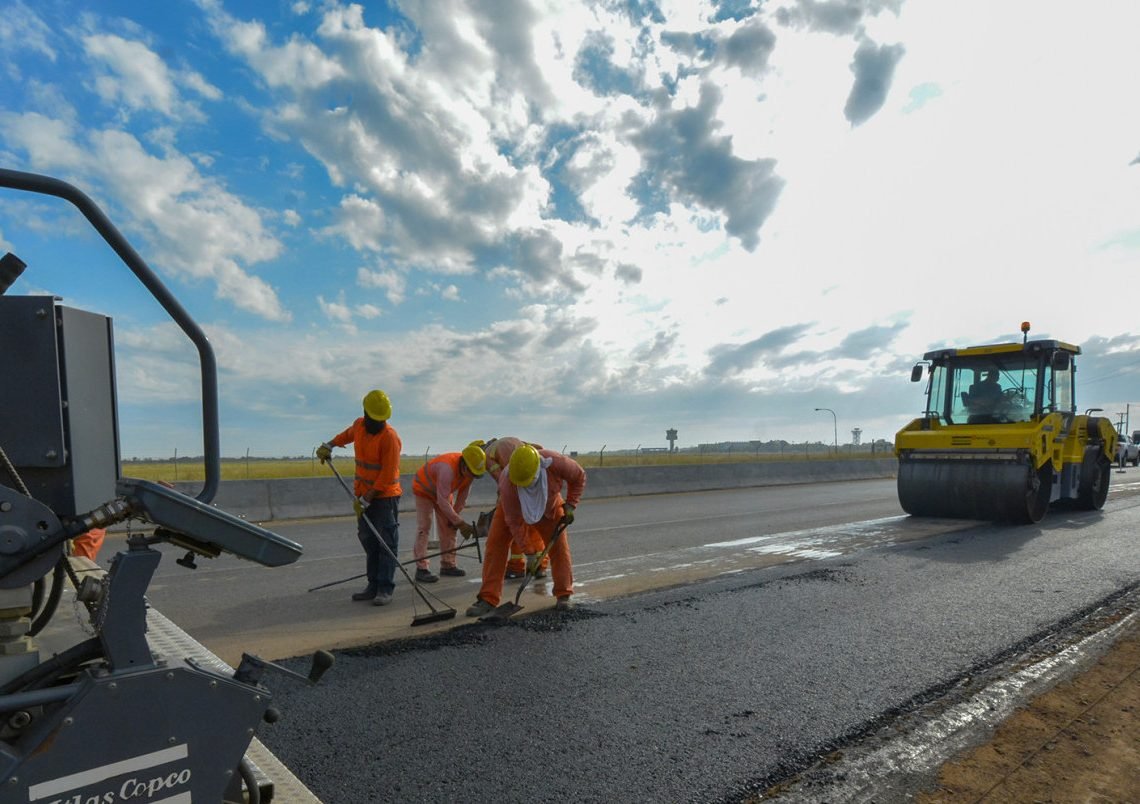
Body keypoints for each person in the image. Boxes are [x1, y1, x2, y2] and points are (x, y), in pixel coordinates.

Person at [466, 444, 586, 617]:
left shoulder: (556, 462)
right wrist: (530, 554)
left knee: (559, 548)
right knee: (495, 545)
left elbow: (579, 477)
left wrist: (570, 505)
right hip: (512, 508)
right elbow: (514, 523)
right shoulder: (508, 483)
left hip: (549, 507)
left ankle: (564, 595)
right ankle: (487, 599)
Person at [316, 390, 402, 606]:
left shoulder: (389, 438)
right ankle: (372, 585)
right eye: (374, 418)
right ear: (365, 414)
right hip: (362, 494)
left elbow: (387, 475)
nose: (378, 422)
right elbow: (346, 435)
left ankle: (385, 588)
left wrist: (368, 498)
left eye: (382, 419)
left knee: (385, 543)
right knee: (368, 540)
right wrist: (330, 445)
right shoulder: (360, 426)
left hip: (384, 498)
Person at [412, 443, 485, 582]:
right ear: (464, 465)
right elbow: (442, 501)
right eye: (472, 473)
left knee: (449, 528)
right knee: (424, 527)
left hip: (443, 492)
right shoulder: (447, 469)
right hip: (424, 490)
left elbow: (462, 498)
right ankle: (421, 569)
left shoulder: (470, 473)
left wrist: (454, 520)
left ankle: (448, 565)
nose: (472, 477)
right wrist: (460, 522)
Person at [483, 437, 549, 579]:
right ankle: (540, 567)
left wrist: (501, 501)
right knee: (533, 529)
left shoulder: (487, 455)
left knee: (515, 531)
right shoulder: (512, 440)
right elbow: (537, 446)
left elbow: (502, 480)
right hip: (531, 485)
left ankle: (516, 567)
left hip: (515, 486)